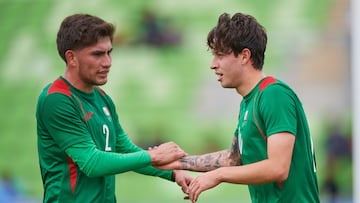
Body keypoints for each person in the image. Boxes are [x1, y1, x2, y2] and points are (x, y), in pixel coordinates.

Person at [159, 12, 320, 202]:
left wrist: (219, 175)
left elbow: (278, 168)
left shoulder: (274, 95)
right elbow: (233, 159)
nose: (212, 65)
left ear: (244, 56)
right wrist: (178, 163)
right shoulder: (249, 102)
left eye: (220, 55)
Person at [35, 13, 192, 203]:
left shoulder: (103, 98)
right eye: (97, 54)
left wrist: (173, 174)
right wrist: (154, 155)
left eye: (109, 52)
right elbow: (91, 163)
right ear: (72, 58)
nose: (108, 62)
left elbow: (125, 150)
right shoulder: (57, 99)